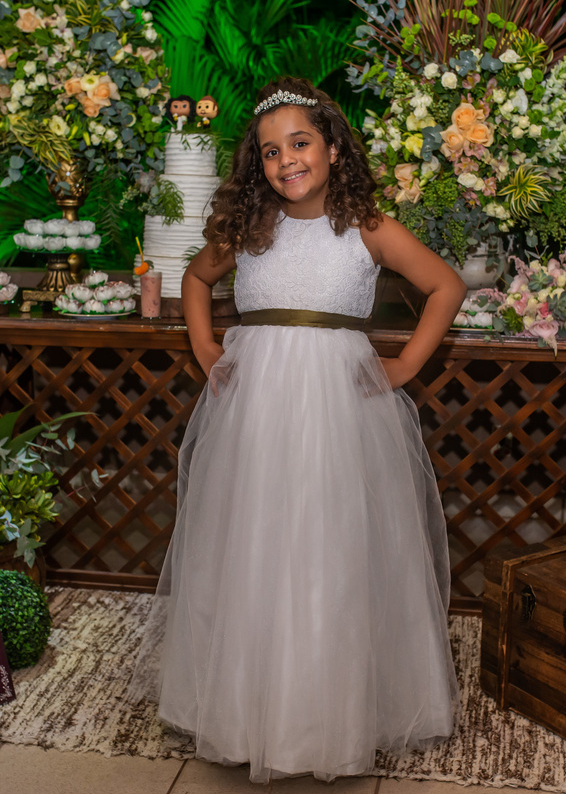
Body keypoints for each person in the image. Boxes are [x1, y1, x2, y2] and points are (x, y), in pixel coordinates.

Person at [150, 77, 464, 783]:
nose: (286, 160)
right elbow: (195, 280)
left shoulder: (367, 227)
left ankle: (327, 718)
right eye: (270, 151)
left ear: (332, 148)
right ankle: (245, 710)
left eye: (300, 144)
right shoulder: (248, 229)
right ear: (256, 164)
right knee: (254, 548)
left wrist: (405, 364)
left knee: (331, 551)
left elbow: (445, 286)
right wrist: (205, 348)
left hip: (339, 414)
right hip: (257, 413)